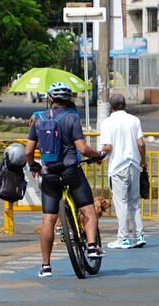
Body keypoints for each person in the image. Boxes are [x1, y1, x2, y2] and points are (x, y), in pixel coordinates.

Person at [27, 83, 106, 277]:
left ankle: (45, 265)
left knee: (48, 219)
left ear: (50, 99)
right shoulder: (72, 117)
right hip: (71, 171)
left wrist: (33, 165)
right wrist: (98, 155)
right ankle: (92, 246)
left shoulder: (37, 118)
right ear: (68, 100)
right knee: (87, 208)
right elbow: (83, 149)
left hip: (50, 175)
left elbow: (28, 151)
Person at [98, 93, 146, 249]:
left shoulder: (107, 122)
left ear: (111, 107)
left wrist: (99, 155)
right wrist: (143, 160)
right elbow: (141, 144)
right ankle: (139, 236)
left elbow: (108, 147)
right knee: (134, 203)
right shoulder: (134, 120)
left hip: (118, 167)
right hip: (133, 165)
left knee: (121, 203)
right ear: (125, 105)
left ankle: (123, 238)